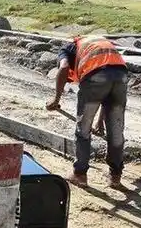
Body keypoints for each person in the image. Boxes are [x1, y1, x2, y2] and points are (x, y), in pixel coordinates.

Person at [46, 35, 128, 189]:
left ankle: (80, 174)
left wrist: (56, 100)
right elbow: (107, 92)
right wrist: (100, 121)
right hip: (121, 76)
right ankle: (115, 176)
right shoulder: (98, 43)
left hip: (95, 77)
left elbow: (63, 68)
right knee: (116, 131)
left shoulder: (66, 48)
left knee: (83, 129)